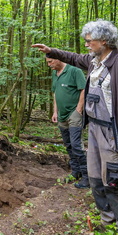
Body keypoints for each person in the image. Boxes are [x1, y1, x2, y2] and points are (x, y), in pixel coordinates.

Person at [33, 19, 118, 232]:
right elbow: (73, 57)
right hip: (94, 130)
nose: (86, 45)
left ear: (104, 41)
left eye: (89, 41)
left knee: (116, 179)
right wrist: (51, 50)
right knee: (95, 178)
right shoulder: (94, 61)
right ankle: (107, 221)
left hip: (114, 133)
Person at [46, 57, 89, 189]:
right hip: (61, 115)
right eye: (47, 62)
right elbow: (56, 93)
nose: (49, 65)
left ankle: (87, 176)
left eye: (51, 61)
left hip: (74, 114)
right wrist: (55, 112)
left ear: (58, 59)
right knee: (68, 144)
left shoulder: (74, 70)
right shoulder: (55, 73)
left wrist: (79, 109)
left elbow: (83, 89)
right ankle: (76, 172)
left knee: (76, 144)